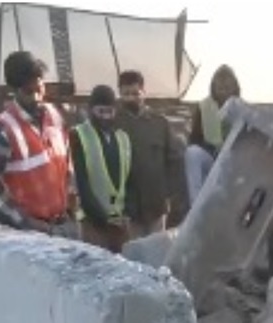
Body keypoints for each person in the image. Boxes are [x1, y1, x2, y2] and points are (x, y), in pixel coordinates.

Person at [0, 51, 77, 238]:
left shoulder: (54, 115)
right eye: (28, 92)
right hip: (31, 234)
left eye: (39, 89)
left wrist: (73, 207)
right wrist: (23, 220)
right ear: (14, 91)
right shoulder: (5, 126)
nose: (36, 97)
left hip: (63, 224)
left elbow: (67, 162)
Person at [115, 70, 185, 237]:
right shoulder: (114, 124)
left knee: (156, 252)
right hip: (127, 207)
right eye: (126, 94)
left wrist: (169, 193)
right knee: (132, 257)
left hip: (157, 205)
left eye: (135, 93)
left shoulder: (160, 123)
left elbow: (174, 160)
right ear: (120, 93)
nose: (131, 98)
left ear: (143, 92)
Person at [71, 85, 134, 254]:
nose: (105, 117)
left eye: (110, 111)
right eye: (101, 112)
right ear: (91, 110)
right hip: (92, 222)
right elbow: (81, 183)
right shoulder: (78, 135)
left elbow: (129, 180)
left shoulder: (123, 138)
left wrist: (127, 211)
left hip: (119, 221)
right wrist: (103, 218)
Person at [185, 65, 241, 204]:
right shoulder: (204, 107)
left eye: (227, 87)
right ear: (214, 86)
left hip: (235, 163)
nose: (223, 90)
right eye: (220, 86)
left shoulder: (242, 108)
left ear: (234, 87)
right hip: (212, 158)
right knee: (192, 153)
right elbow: (195, 139)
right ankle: (196, 204)